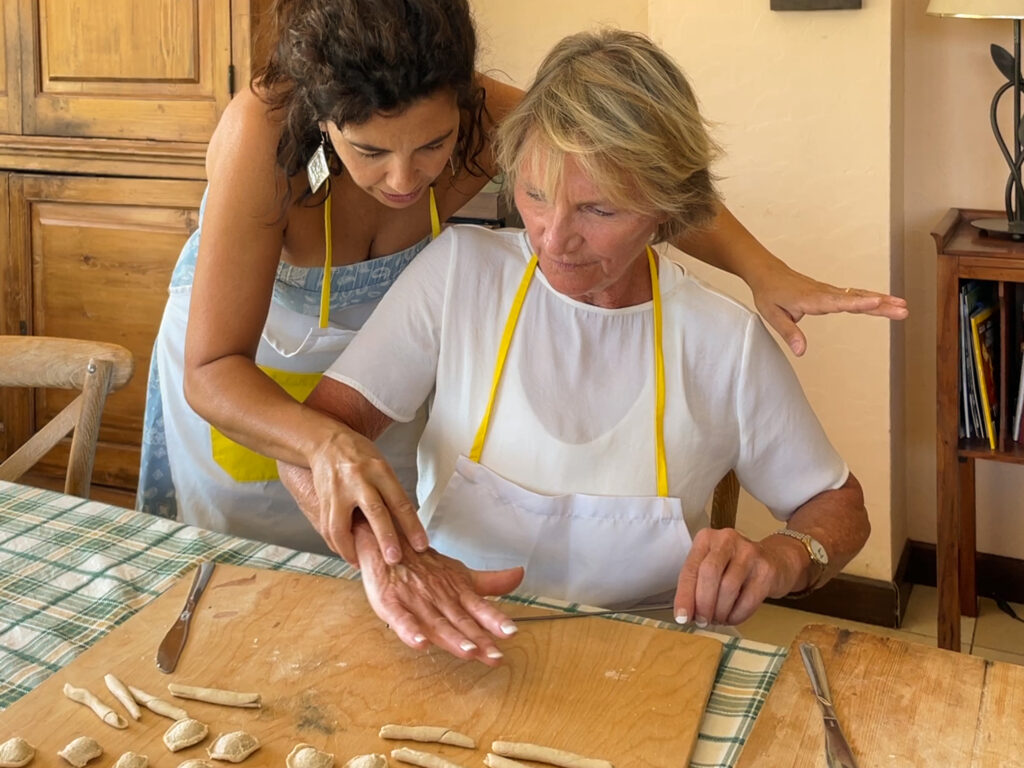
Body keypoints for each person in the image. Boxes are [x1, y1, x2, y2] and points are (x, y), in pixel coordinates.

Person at [138, 0, 899, 560]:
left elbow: (629, 166)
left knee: (386, 555)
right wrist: (327, 445)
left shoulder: (490, 118)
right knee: (237, 578)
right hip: (245, 383)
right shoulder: (261, 135)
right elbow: (214, 369)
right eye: (367, 152)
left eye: (433, 145)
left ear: (464, 103)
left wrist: (764, 273)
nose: (404, 180)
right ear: (322, 118)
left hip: (370, 396)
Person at [278, 28, 872, 666]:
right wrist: (386, 558)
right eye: (535, 195)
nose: (554, 239)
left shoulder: (723, 342)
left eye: (599, 210)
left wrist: (784, 558)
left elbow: (838, 506)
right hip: (451, 638)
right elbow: (311, 437)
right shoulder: (460, 273)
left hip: (647, 659)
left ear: (665, 207)